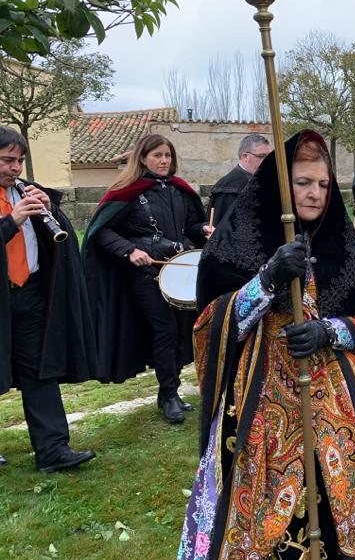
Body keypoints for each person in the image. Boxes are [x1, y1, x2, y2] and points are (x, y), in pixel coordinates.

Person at [177, 130, 355, 560]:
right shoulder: (239, 237)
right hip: (260, 398)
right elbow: (210, 324)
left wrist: (328, 330)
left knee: (344, 492)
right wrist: (266, 280)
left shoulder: (340, 242)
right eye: (303, 182)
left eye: (323, 184)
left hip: (336, 397)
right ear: (282, 184)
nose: (315, 193)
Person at [83, 134, 210, 425]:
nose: (163, 161)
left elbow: (191, 225)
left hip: (178, 269)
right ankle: (169, 395)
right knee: (164, 329)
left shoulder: (180, 190)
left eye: (167, 155)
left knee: (179, 330)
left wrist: (203, 229)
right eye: (157, 155)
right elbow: (102, 232)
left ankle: (171, 392)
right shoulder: (127, 191)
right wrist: (129, 250)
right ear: (142, 158)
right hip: (145, 273)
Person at [0, 126, 97, 472]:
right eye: (8, 160)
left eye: (20, 160)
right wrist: (11, 221)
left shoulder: (22, 192)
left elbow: (56, 240)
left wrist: (50, 208)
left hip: (29, 294)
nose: (16, 168)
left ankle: (53, 450)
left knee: (38, 372)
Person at [206, 133, 271, 224]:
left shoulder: (259, 180)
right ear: (245, 157)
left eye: (269, 156)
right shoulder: (229, 187)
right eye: (262, 156)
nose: (267, 161)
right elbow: (225, 229)